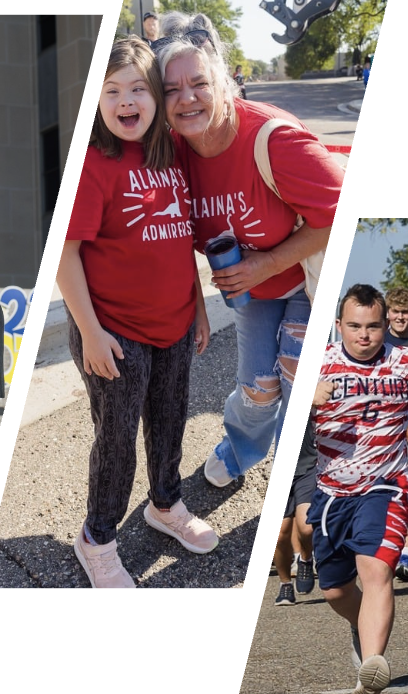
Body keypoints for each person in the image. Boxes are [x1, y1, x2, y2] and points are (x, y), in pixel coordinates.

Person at [152, 14, 342, 488]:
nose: (187, 97)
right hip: (252, 292)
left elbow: (342, 212)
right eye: (171, 90)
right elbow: (169, 235)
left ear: (224, 82)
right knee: (259, 388)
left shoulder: (271, 138)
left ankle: (311, 475)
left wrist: (267, 264)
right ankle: (240, 449)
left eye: (198, 83)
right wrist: (198, 303)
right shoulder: (170, 153)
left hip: (305, 275)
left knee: (301, 378)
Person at [57, 36, 215, 588]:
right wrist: (91, 333)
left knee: (170, 423)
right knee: (118, 439)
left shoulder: (169, 153)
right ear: (96, 100)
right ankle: (97, 536)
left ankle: (165, 504)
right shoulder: (92, 164)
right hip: (114, 333)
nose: (127, 101)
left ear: (156, 96)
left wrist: (197, 305)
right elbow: (65, 254)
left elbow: (178, 239)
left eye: (138, 89)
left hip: (173, 324)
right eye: (112, 90)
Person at [310, 284, 408, 694]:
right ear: (338, 326)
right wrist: (306, 401)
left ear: (386, 324)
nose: (364, 335)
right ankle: (360, 622)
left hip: (387, 485)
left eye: (372, 326)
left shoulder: (403, 363)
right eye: (354, 326)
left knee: (377, 568)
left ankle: (371, 672)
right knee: (334, 590)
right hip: (331, 492)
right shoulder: (319, 363)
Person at [274, 420, 319, 606]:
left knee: (306, 527)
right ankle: (285, 585)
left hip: (307, 466)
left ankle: (306, 559)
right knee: (279, 534)